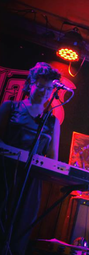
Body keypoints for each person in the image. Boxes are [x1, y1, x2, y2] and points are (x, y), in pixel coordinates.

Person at [0, 62, 61, 255]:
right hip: (4, 175)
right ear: (30, 84)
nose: (44, 92)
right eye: (40, 86)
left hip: (30, 183)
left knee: (20, 231)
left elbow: (52, 159)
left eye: (49, 88)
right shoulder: (10, 107)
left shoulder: (52, 121)